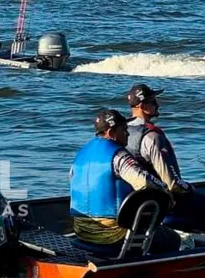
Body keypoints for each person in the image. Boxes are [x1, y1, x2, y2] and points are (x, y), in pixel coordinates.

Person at [126, 84, 205, 236]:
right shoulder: (152, 137)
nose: (157, 105)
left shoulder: (124, 130)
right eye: (153, 101)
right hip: (164, 203)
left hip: (138, 200)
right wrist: (189, 188)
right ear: (141, 105)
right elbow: (171, 183)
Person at [70, 109, 180, 254]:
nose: (128, 133)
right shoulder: (119, 156)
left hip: (82, 231)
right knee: (173, 239)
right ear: (111, 133)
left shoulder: (80, 154)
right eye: (124, 130)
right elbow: (146, 182)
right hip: (113, 235)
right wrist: (167, 192)